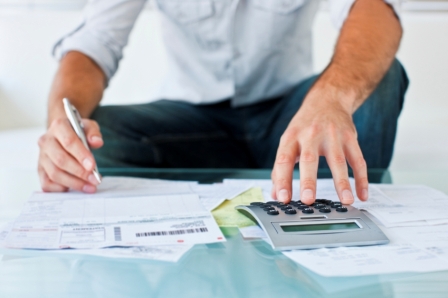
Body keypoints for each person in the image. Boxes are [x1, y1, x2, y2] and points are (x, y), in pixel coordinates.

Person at [37, 0, 408, 205]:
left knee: (381, 78)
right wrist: (62, 124)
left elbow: (374, 8)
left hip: (291, 119)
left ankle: (329, 208)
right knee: (98, 139)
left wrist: (330, 100)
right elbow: (93, 43)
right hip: (187, 129)